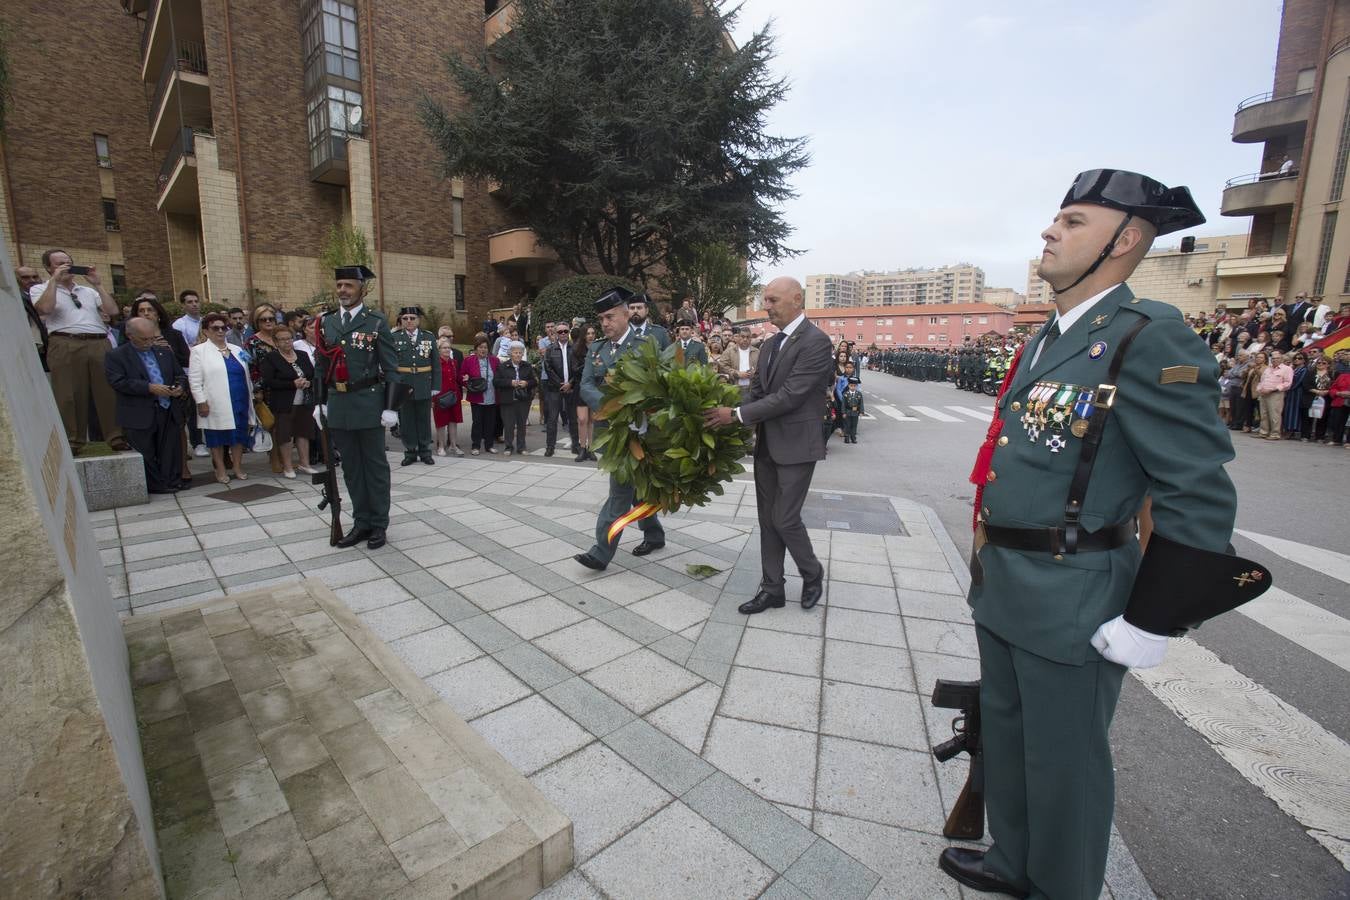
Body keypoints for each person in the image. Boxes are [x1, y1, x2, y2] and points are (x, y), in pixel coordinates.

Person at [949, 169, 1242, 900]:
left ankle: (1063, 886)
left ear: (1127, 240)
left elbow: (1196, 490)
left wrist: (1153, 619)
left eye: (1074, 221)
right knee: (1012, 741)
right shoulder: (1052, 336)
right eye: (1056, 218)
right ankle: (1016, 863)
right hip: (1011, 580)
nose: (1050, 231)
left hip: (1076, 587)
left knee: (1066, 761)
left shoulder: (1146, 337)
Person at [703, 276, 832, 613]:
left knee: (785, 519)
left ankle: (812, 572)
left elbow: (790, 397)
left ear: (797, 300)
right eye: (766, 300)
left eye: (773, 300)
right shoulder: (771, 345)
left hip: (797, 447)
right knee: (767, 521)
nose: (766, 307)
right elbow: (759, 392)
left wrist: (734, 414)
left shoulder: (816, 343)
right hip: (767, 447)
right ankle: (773, 588)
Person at [574, 288, 666, 570]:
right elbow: (586, 385)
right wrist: (612, 406)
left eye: (610, 317)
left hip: (642, 431)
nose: (605, 323)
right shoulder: (597, 349)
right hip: (613, 432)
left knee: (622, 491)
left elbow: (660, 384)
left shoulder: (645, 344)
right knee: (632, 488)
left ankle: (601, 551)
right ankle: (653, 534)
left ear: (627, 314)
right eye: (601, 318)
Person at [313, 266, 403, 549]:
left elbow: (391, 367)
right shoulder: (327, 322)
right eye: (339, 285)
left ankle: (378, 524)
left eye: (348, 286)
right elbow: (321, 367)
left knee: (375, 467)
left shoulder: (375, 321)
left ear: (362, 289)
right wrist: (320, 403)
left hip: (368, 402)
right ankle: (361, 521)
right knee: (351, 467)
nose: (342, 290)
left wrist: (391, 407)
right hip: (338, 404)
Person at [30, 249, 128, 454]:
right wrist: (55, 282)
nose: (66, 266)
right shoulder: (41, 288)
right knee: (69, 394)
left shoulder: (88, 291)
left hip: (98, 341)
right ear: (49, 268)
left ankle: (116, 436)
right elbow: (45, 309)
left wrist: (98, 284)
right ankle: (74, 440)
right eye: (60, 264)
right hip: (65, 342)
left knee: (108, 392)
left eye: (69, 262)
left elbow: (112, 311)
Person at [105, 318, 189, 494]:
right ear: (130, 336)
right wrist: (149, 387)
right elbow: (117, 382)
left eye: (152, 338)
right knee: (146, 451)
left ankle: (171, 481)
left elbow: (179, 375)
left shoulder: (163, 352)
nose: (150, 342)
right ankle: (154, 484)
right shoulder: (116, 356)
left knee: (169, 448)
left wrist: (179, 387)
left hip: (167, 408)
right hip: (139, 410)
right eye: (144, 339)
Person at [189, 312, 255, 484]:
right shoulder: (198, 351)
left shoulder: (237, 349)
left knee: (239, 436)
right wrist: (201, 401)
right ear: (206, 331)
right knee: (216, 437)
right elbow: (195, 380)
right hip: (215, 402)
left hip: (240, 399)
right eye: (215, 328)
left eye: (223, 328)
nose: (220, 331)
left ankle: (238, 467)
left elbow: (246, 374)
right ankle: (220, 469)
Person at [259, 326, 317, 478]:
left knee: (303, 432)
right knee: (285, 434)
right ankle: (288, 466)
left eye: (289, 338)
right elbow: (269, 381)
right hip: (284, 402)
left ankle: (305, 463)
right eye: (282, 339)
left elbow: (312, 374)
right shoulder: (271, 358)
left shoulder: (302, 355)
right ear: (276, 342)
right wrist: (292, 384)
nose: (287, 342)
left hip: (304, 400)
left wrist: (308, 383)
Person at [391, 306, 440, 466]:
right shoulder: (395, 337)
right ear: (401, 320)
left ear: (418, 320)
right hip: (404, 385)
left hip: (423, 384)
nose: (409, 321)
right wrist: (395, 387)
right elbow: (391, 365)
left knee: (423, 419)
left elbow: (435, 364)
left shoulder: (428, 337)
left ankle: (425, 451)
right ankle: (410, 452)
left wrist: (435, 386)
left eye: (412, 318)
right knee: (407, 421)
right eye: (405, 318)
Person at [543, 324, 580, 457]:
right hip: (555, 389)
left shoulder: (575, 348)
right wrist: (560, 384)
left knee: (573, 419)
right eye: (560, 331)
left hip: (571, 389)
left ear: (568, 332)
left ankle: (576, 446)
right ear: (556, 333)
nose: (563, 333)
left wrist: (570, 383)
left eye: (565, 331)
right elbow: (548, 368)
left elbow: (578, 368)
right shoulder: (550, 349)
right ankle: (550, 447)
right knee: (552, 419)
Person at [495, 341, 537, 454]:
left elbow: (534, 381)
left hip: (523, 399)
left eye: (520, 352)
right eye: (516, 352)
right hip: (507, 399)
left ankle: (521, 447)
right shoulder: (503, 367)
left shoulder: (527, 366)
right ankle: (508, 446)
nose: (518, 355)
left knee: (521, 424)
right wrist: (510, 383)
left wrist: (527, 383)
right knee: (508, 425)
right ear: (510, 353)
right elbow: (496, 382)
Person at [462, 337, 499, 454]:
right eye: (480, 347)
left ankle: (489, 445)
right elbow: (461, 375)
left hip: (492, 396)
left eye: (485, 347)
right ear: (476, 349)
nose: (483, 350)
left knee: (490, 422)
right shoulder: (469, 360)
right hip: (477, 397)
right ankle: (476, 446)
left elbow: (500, 376)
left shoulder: (495, 360)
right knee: (477, 422)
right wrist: (466, 380)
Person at [432, 338, 464, 456]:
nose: (447, 350)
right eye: (444, 348)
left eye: (448, 348)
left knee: (453, 421)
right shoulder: (435, 363)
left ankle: (453, 446)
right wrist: (432, 399)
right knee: (440, 423)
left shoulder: (453, 362)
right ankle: (441, 446)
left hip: (454, 396)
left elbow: (458, 378)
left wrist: (465, 379)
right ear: (438, 350)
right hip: (440, 396)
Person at [16, 265, 49, 371]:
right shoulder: (18, 298)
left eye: (35, 277)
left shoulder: (47, 294)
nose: (32, 280)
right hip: (33, 347)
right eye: (25, 277)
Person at [571, 325, 597, 461]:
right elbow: (574, 369)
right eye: (588, 333)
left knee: (592, 420)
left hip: (594, 387)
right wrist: (590, 364)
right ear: (583, 335)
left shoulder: (598, 348)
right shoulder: (576, 349)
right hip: (580, 387)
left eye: (593, 333)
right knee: (582, 420)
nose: (591, 336)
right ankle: (582, 448)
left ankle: (591, 449)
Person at [718, 328, 760, 402]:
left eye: (747, 337)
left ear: (751, 338)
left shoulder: (757, 352)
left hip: (751, 389)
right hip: (734, 388)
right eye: (742, 336)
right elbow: (722, 366)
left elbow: (762, 368)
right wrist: (736, 373)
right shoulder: (729, 351)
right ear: (738, 337)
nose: (745, 339)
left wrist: (755, 372)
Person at [841, 375, 864, 443]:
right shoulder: (846, 394)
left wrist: (861, 412)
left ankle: (853, 437)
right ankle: (847, 437)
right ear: (848, 385)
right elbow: (843, 404)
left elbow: (861, 403)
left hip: (855, 412)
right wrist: (843, 412)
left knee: (854, 425)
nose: (853, 387)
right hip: (847, 411)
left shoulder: (859, 394)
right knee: (847, 425)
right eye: (851, 385)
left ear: (856, 386)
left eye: (854, 386)